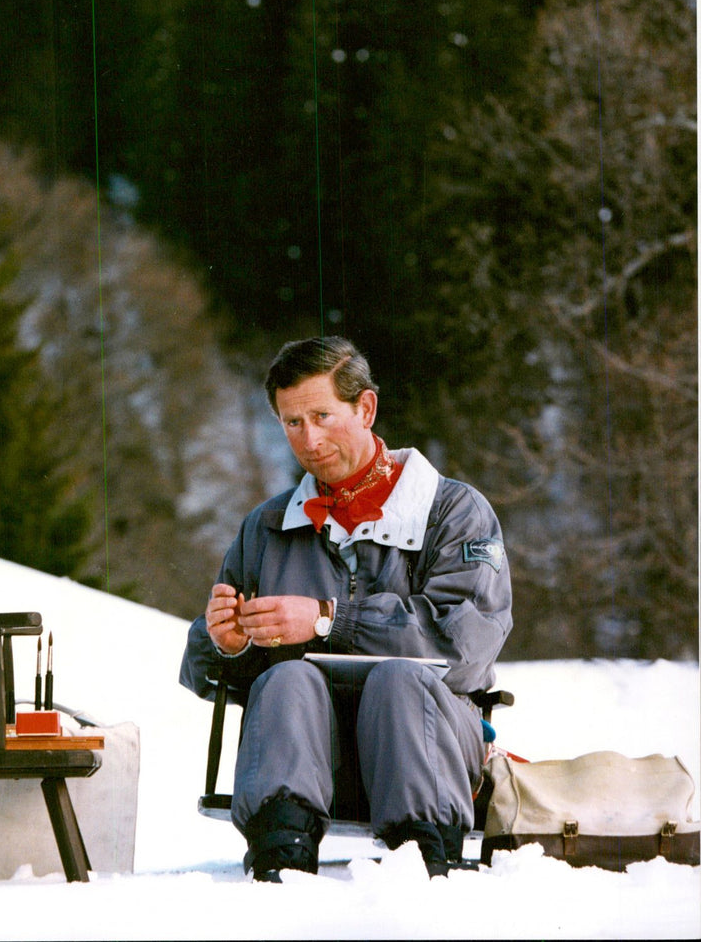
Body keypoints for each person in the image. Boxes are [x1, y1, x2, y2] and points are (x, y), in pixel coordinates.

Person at [180, 336, 512, 881]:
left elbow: (467, 644)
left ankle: (426, 865)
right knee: (286, 680)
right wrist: (225, 643)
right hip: (305, 763)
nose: (308, 440)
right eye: (291, 423)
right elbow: (209, 670)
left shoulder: (455, 512)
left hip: (423, 754)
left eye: (322, 416)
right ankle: (279, 867)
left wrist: (328, 621)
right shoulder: (265, 528)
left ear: (366, 408)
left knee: (399, 681)